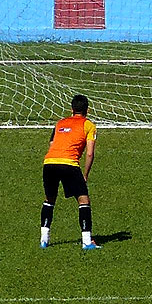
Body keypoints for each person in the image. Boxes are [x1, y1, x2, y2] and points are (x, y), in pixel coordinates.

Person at [41, 94, 99, 250]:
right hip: (69, 164)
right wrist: (85, 174)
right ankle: (87, 241)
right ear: (87, 110)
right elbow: (89, 153)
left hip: (49, 163)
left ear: (71, 109)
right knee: (83, 201)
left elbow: (52, 143)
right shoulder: (89, 125)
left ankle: (44, 240)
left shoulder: (60, 123)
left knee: (49, 200)